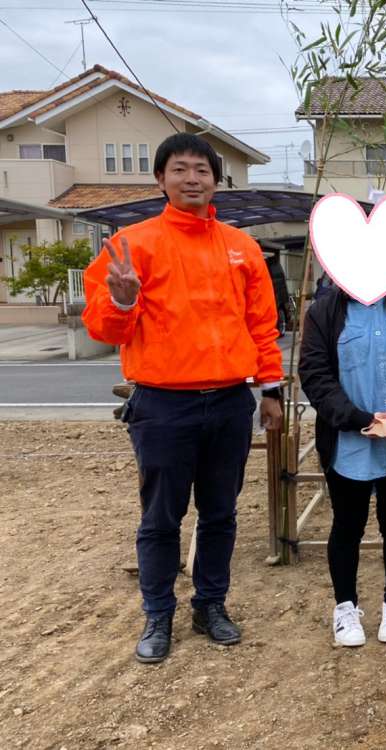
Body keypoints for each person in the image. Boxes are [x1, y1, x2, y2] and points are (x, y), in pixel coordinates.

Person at [82, 133, 284, 664]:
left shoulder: (241, 248)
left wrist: (270, 390)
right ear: (160, 179)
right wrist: (122, 300)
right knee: (160, 517)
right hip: (161, 404)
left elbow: (262, 325)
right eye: (179, 169)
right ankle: (158, 614)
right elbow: (104, 328)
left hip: (230, 402)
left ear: (216, 181)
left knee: (220, 513)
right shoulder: (133, 245)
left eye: (201, 170)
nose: (191, 178)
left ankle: (210, 605)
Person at [298, 272, 386, 648]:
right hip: (348, 439)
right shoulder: (325, 311)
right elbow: (314, 373)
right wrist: (358, 418)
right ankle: (345, 607)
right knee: (348, 524)